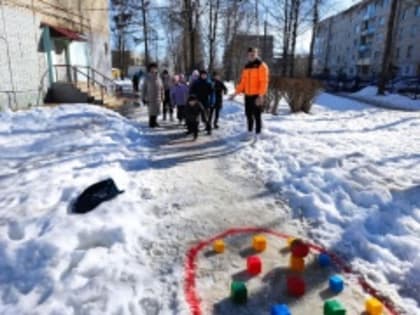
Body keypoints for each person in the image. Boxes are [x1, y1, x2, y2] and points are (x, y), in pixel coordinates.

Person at [230, 47, 269, 140]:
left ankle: (258, 134)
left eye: (253, 53)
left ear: (256, 54)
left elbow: (264, 81)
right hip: (247, 95)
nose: (251, 55)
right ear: (247, 55)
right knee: (248, 115)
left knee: (257, 115)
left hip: (257, 96)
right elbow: (242, 83)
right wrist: (235, 93)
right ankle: (249, 133)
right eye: (250, 54)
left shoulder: (261, 65)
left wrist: (260, 95)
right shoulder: (246, 66)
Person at [190, 70, 214, 135]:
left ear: (206, 75)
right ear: (200, 75)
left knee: (206, 117)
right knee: (196, 116)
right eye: (202, 75)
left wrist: (212, 101)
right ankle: (195, 130)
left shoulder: (209, 83)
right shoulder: (197, 83)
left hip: (206, 102)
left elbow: (212, 93)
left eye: (205, 75)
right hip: (198, 101)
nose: (204, 76)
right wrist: (192, 99)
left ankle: (209, 129)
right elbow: (192, 91)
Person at [142, 63, 164, 128]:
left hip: (158, 97)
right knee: (151, 111)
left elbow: (162, 87)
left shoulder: (159, 77)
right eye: (152, 68)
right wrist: (143, 97)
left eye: (155, 68)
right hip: (150, 97)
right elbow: (144, 88)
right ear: (150, 69)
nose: (154, 69)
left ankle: (155, 121)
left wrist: (163, 95)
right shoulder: (147, 77)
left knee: (157, 110)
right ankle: (151, 123)